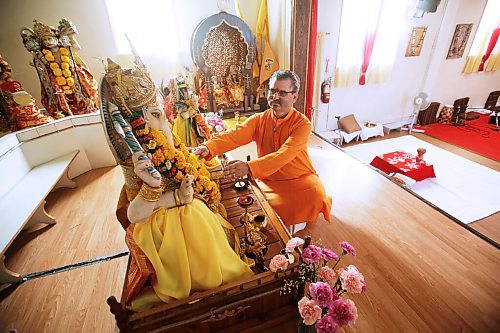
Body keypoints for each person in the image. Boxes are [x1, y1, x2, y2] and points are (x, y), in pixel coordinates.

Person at [103, 58, 252, 312]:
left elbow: (175, 159)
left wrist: (162, 126)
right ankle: (192, 289)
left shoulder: (158, 132)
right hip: (158, 221)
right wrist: (168, 196)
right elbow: (134, 215)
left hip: (184, 200)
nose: (155, 113)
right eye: (147, 112)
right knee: (191, 229)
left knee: (200, 218)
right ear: (134, 122)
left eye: (155, 107)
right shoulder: (133, 156)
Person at [193, 70, 332, 233]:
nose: (275, 97)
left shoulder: (302, 124)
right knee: (254, 202)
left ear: (294, 96)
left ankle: (300, 224)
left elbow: (284, 154)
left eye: (282, 93)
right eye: (272, 91)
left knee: (316, 193)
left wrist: (248, 167)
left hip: (299, 178)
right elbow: (234, 135)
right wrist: (208, 147)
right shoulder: (260, 119)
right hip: (269, 180)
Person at [21, 19, 99, 118]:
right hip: (56, 78)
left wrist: (71, 36)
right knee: (59, 93)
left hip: (74, 74)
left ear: (57, 39)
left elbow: (77, 48)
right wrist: (34, 53)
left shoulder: (66, 49)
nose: (47, 42)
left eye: (49, 39)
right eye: (44, 40)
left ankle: (87, 107)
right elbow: (36, 63)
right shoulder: (44, 55)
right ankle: (64, 111)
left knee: (83, 90)